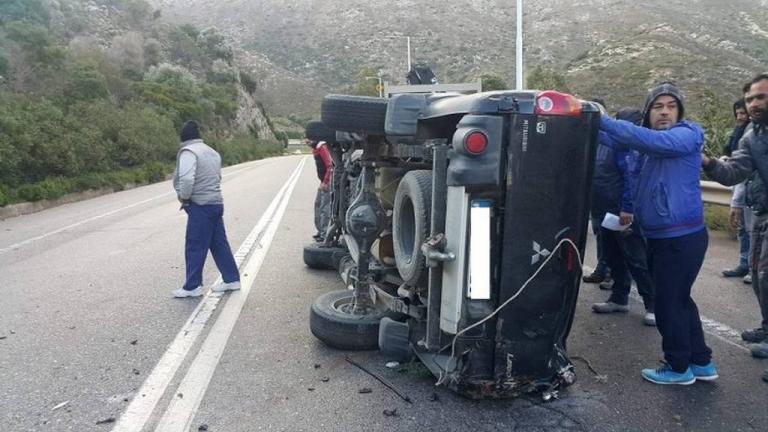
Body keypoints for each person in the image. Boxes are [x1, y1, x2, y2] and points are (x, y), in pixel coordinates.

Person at [599, 82, 716, 385]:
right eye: (657, 107)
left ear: (680, 112)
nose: (664, 112)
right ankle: (701, 361)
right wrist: (580, 120)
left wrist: (601, 117)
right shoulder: (644, 146)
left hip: (682, 237)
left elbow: (637, 137)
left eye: (671, 106)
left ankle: (678, 367)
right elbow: (611, 139)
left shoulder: (687, 135)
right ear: (649, 112)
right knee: (680, 299)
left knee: (667, 303)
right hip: (661, 236)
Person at [703, 74, 768, 369]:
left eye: (761, 97)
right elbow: (734, 172)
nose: (755, 103)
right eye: (751, 98)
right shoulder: (751, 136)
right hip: (761, 213)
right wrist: (708, 163)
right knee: (758, 275)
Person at [590, 108, 656, 326]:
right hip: (606, 211)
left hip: (623, 213)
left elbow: (630, 179)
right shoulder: (613, 142)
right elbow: (599, 134)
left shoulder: (629, 148)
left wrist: (627, 208)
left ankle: (653, 305)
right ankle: (619, 298)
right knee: (614, 255)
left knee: (636, 259)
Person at [172, 120, 241, 298]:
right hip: (216, 203)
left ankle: (192, 286)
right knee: (219, 243)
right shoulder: (212, 152)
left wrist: (184, 197)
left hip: (200, 205)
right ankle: (232, 279)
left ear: (183, 137)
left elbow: (187, 180)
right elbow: (217, 176)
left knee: (194, 245)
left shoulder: (189, 152)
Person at [721, 99, 753, 283]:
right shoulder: (737, 133)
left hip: (750, 186)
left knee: (752, 229)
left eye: (743, 113)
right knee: (743, 228)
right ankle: (744, 263)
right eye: (738, 113)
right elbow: (730, 152)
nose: (740, 117)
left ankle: (753, 267)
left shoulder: (753, 135)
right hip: (740, 186)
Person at [308, 138, 333, 241]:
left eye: (309, 139)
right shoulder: (317, 148)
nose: (307, 141)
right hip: (323, 181)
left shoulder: (322, 147)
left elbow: (330, 166)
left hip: (327, 182)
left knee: (324, 207)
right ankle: (320, 231)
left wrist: (326, 182)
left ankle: (324, 234)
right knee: (318, 205)